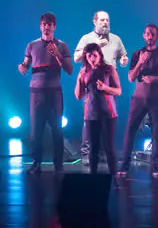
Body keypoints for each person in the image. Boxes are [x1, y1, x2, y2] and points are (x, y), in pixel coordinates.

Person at [18, 13, 73, 174]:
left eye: (49, 24)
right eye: (44, 24)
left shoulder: (62, 46)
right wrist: (22, 67)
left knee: (57, 129)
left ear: (54, 26)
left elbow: (69, 70)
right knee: (36, 130)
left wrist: (57, 55)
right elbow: (26, 65)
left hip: (54, 92)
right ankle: (36, 163)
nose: (46, 27)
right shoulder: (32, 45)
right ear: (40, 26)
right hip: (36, 93)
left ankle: (58, 164)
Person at [117, 24, 158, 177]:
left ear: (157, 36)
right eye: (148, 34)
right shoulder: (137, 54)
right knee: (130, 130)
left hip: (156, 98)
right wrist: (140, 63)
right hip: (138, 98)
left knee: (157, 132)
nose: (150, 37)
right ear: (144, 35)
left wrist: (155, 78)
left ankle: (156, 165)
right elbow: (130, 78)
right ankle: (125, 164)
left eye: (153, 34)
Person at [74, 10, 128, 166]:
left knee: (108, 118)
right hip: (90, 81)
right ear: (95, 21)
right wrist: (97, 45)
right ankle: (87, 153)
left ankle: (105, 152)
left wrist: (124, 59)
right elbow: (77, 57)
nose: (106, 23)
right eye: (102, 20)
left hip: (109, 80)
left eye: (108, 20)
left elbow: (123, 55)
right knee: (90, 119)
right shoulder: (87, 38)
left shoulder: (116, 39)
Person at [75, 43, 121, 175]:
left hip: (108, 113)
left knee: (109, 148)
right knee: (93, 149)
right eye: (89, 56)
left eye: (94, 55)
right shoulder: (84, 71)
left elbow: (118, 91)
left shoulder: (109, 69)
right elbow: (78, 95)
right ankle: (93, 179)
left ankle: (115, 178)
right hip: (91, 114)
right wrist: (79, 79)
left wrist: (105, 88)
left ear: (100, 55)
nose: (92, 58)